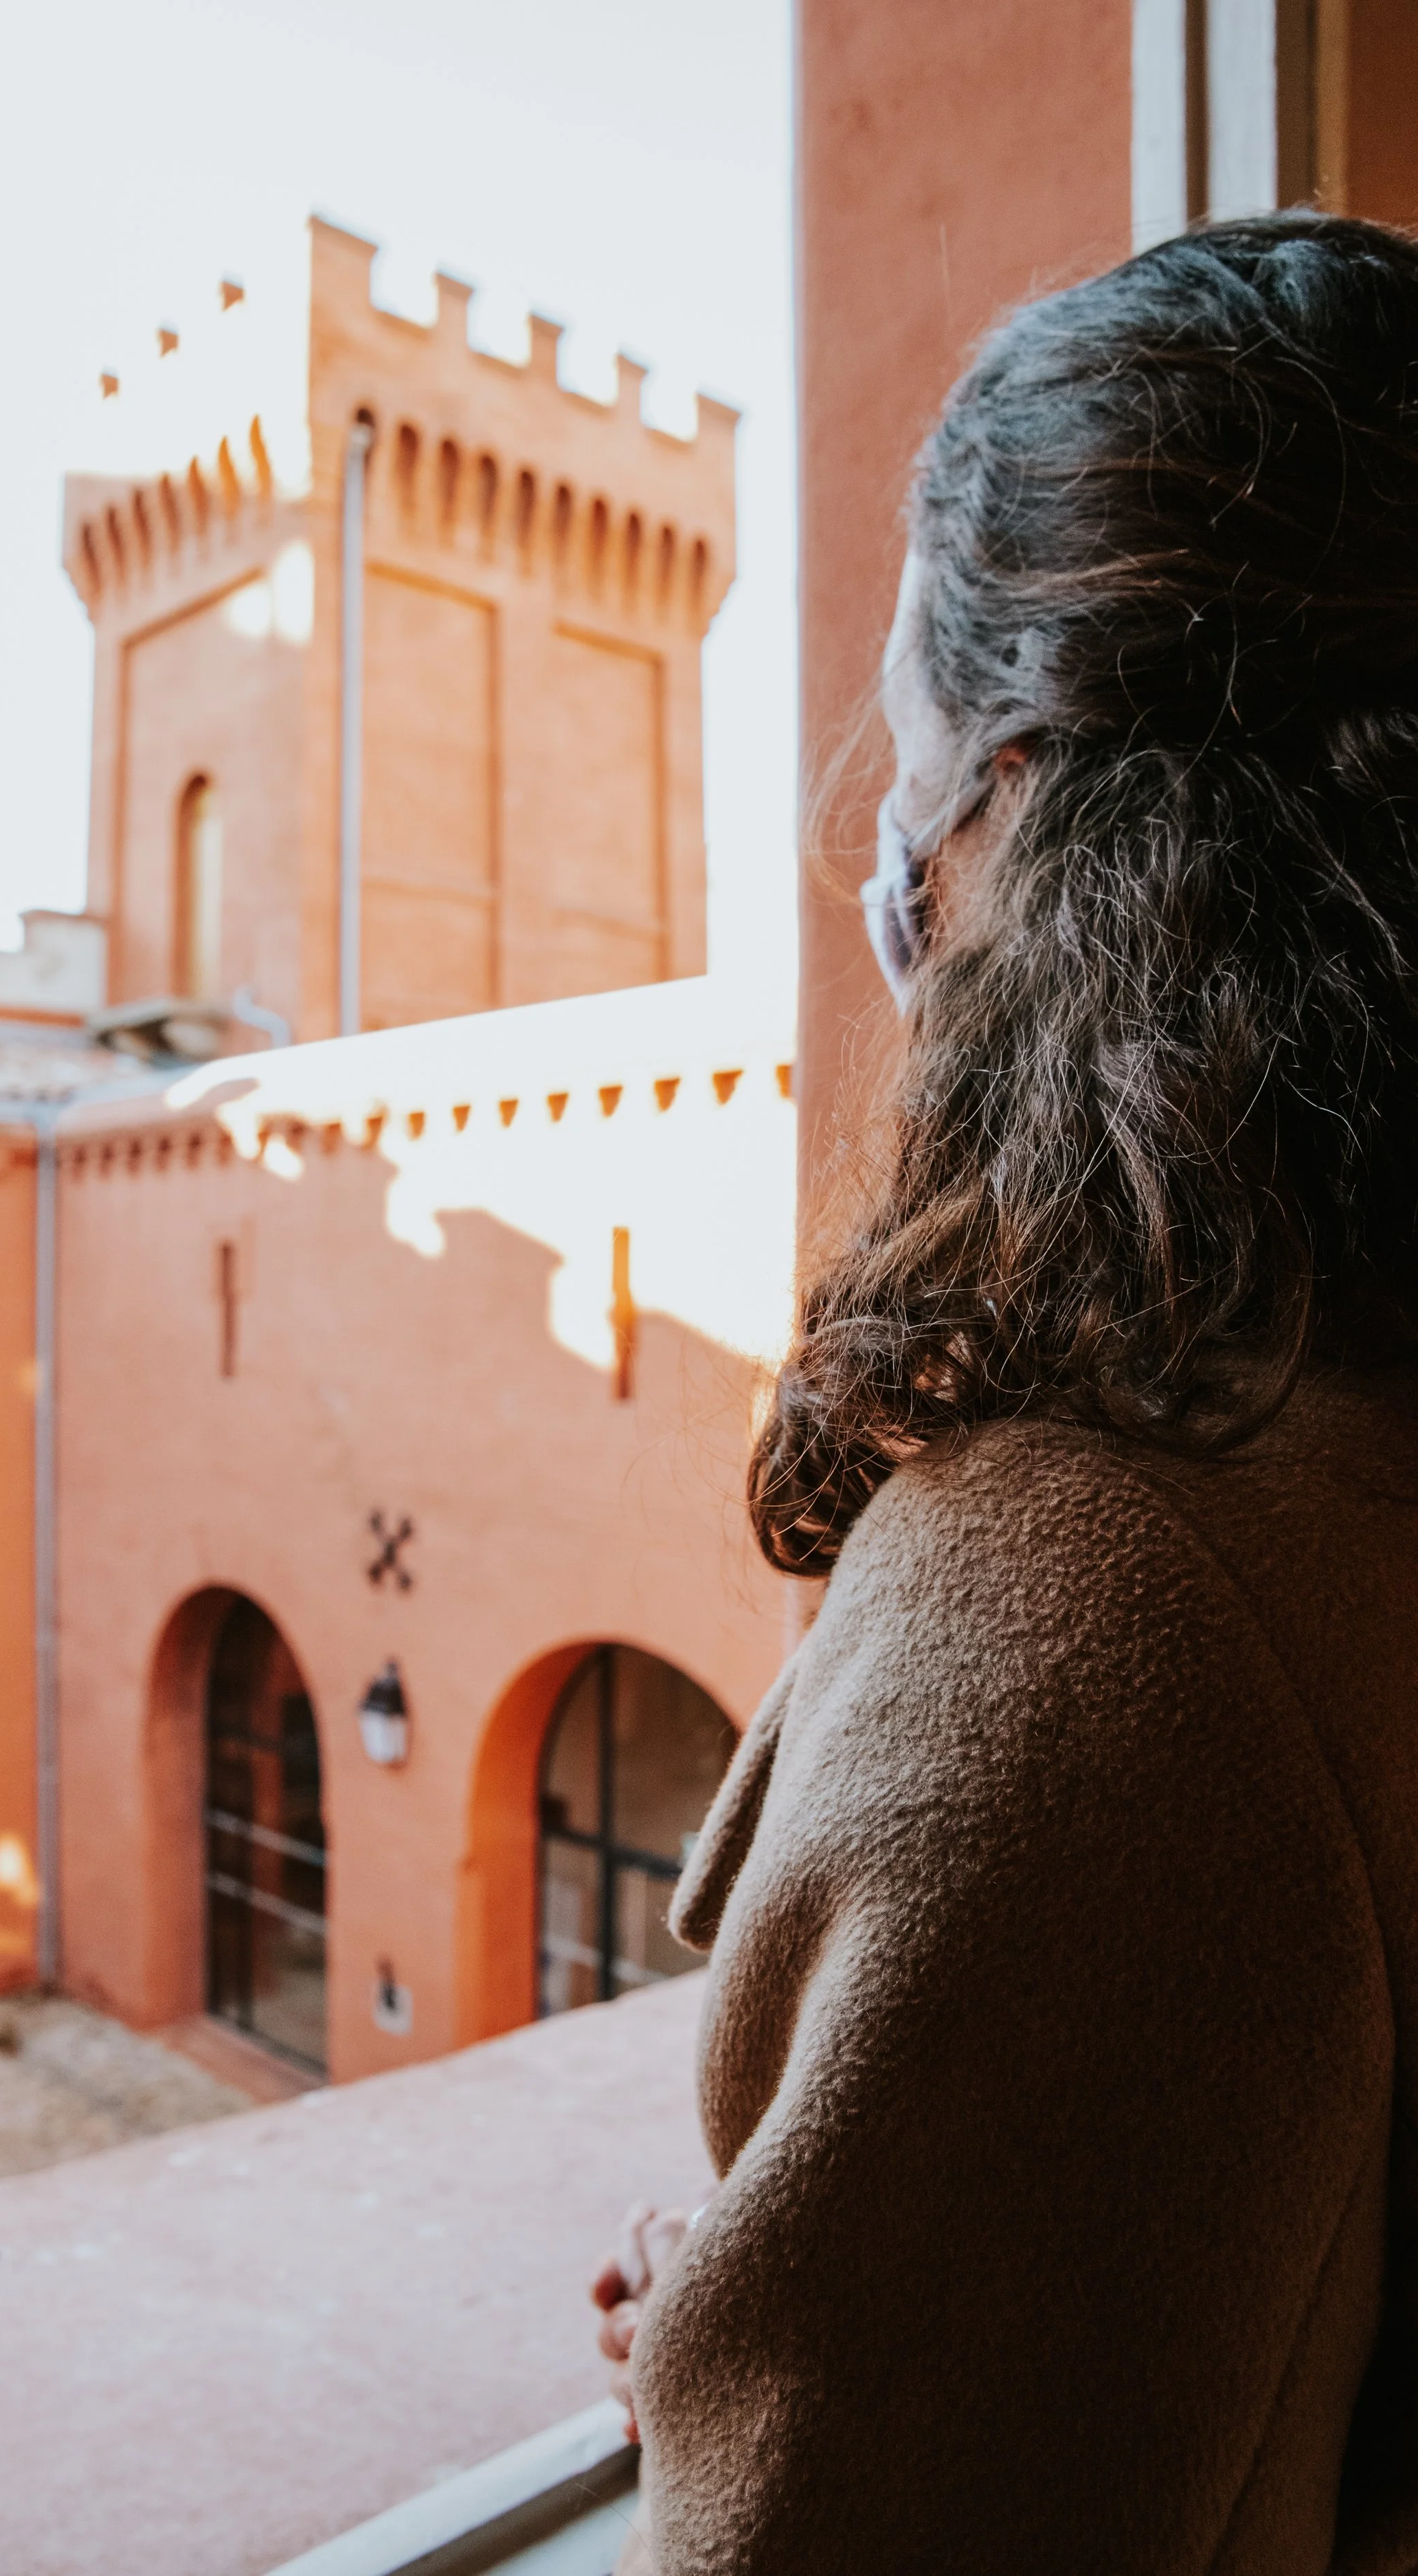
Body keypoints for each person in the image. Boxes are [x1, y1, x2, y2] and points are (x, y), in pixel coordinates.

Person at [593, 212, 1418, 2572]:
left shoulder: (1103, 1624)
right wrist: (819, 2315)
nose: (884, 869)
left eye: (919, 762)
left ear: (1034, 809)